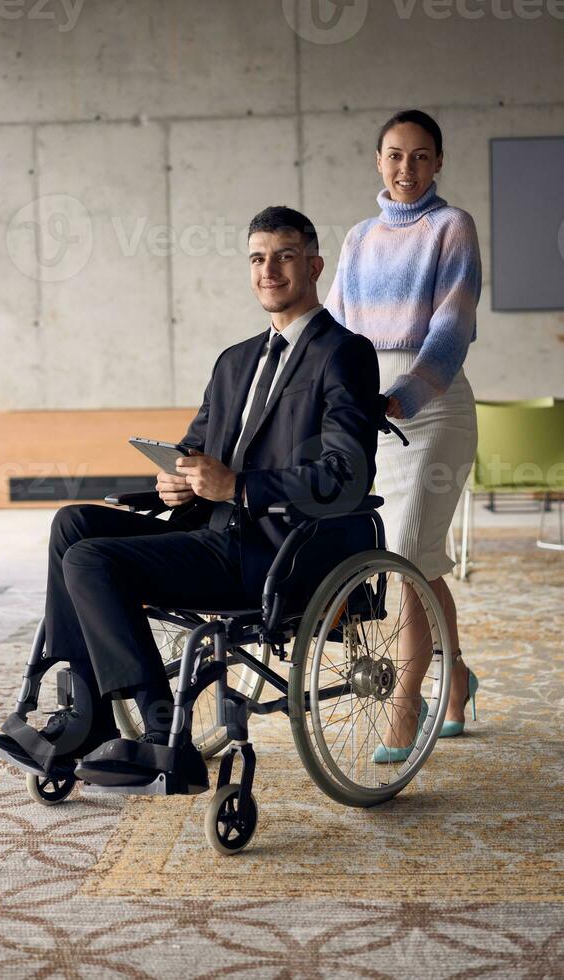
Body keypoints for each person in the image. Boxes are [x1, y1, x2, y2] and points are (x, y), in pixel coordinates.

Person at [0, 205, 380, 781]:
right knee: (73, 523)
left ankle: (157, 729)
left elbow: (348, 475)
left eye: (284, 257)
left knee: (92, 559)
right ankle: (90, 713)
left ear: (314, 265)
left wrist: (241, 486)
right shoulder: (235, 361)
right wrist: (175, 479)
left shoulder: (342, 353)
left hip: (274, 549)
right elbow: (195, 447)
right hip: (206, 532)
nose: (268, 270)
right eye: (257, 258)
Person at [325, 109, 481, 757]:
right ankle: (458, 681)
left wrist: (403, 395)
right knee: (422, 559)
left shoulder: (453, 227)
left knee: (408, 557)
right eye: (394, 155)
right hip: (369, 410)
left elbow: (453, 326)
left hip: (432, 405)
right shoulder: (360, 238)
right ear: (378, 160)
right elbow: (332, 323)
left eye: (420, 156)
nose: (406, 168)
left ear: (438, 161)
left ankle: (405, 703)